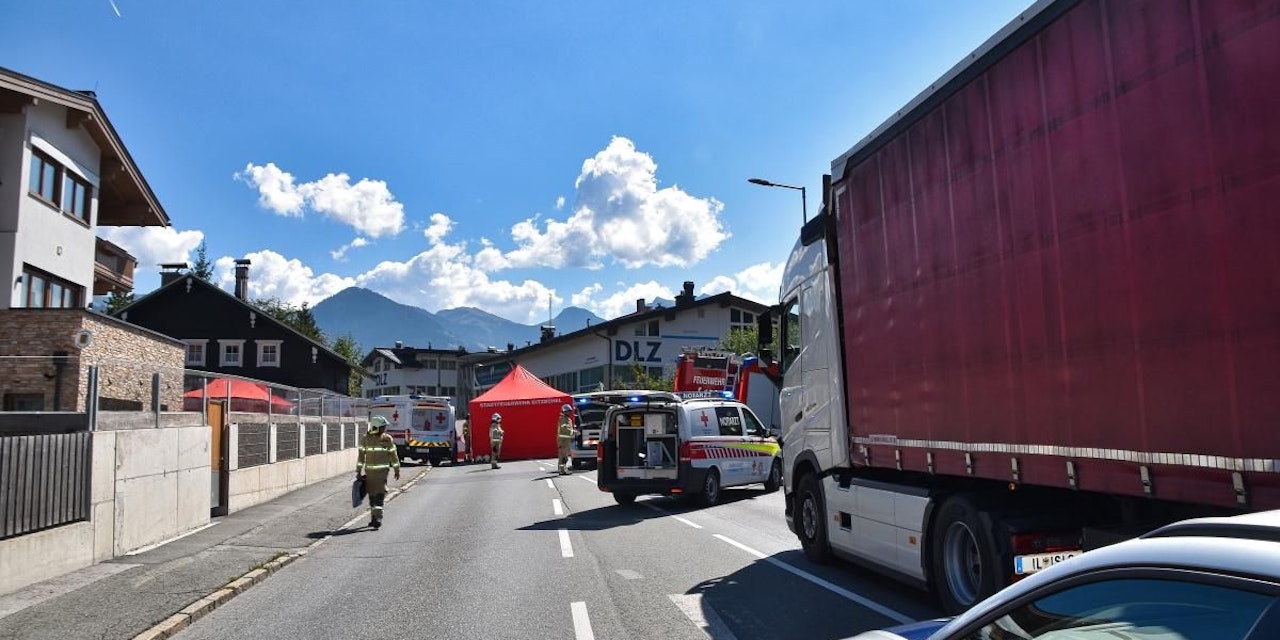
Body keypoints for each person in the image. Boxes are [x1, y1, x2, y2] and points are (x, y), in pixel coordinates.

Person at [357, 415, 400, 529]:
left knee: (380, 495)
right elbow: (361, 457)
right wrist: (358, 471)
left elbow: (393, 455)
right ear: (376, 427)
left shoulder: (387, 438)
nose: (384, 429)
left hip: (382, 473)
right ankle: (373, 518)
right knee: (372, 496)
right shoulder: (365, 439)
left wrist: (397, 469)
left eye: (384, 427)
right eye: (382, 427)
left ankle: (378, 518)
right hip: (370, 473)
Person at [556, 403, 578, 475]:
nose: (570, 412)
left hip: (566, 441)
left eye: (570, 411)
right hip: (563, 441)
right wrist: (573, 431)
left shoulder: (567, 419)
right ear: (564, 411)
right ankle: (562, 470)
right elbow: (564, 429)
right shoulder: (563, 419)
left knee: (564, 457)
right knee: (563, 457)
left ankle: (563, 470)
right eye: (569, 411)